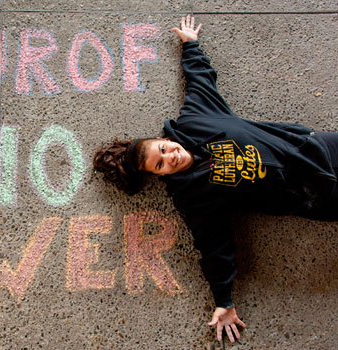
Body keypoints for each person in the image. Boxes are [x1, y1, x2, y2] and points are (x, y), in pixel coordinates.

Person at [94, 15, 338, 344]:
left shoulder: (197, 119)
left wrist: (190, 44)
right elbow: (214, 247)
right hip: (319, 196)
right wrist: (223, 301)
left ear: (164, 138)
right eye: (162, 164)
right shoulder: (192, 197)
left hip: (317, 147)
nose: (172, 157)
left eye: (164, 149)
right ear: (159, 175)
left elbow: (200, 81)